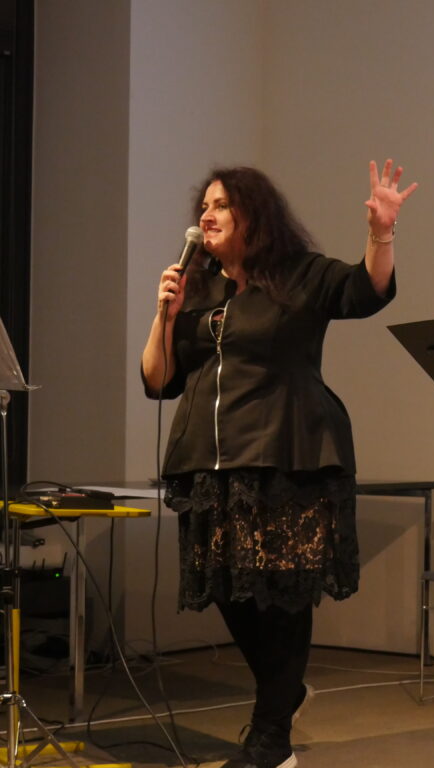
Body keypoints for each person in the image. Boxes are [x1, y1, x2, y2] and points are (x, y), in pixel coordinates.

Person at [141, 160, 417, 768]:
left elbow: (365, 290)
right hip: (209, 464)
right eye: (203, 207)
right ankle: (285, 694)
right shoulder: (199, 284)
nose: (206, 216)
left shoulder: (298, 273)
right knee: (228, 588)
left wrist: (381, 233)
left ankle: (271, 740)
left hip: (290, 452)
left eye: (221, 205)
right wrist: (165, 312)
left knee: (284, 595)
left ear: (253, 215)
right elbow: (158, 379)